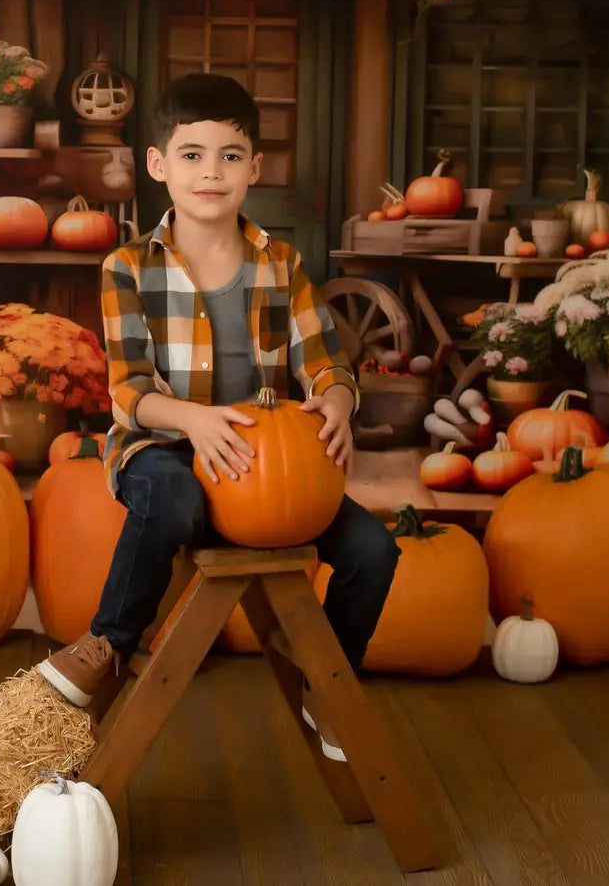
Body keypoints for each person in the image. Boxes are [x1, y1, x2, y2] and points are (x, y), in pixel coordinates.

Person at [38, 72, 399, 762]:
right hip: (165, 446)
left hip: (262, 461)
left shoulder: (282, 264)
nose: (211, 173)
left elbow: (326, 360)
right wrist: (193, 421)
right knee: (170, 499)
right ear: (158, 165)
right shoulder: (128, 267)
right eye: (192, 155)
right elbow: (128, 390)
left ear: (254, 168)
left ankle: (329, 680)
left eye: (230, 156)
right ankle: (108, 643)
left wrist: (338, 401)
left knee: (373, 552)